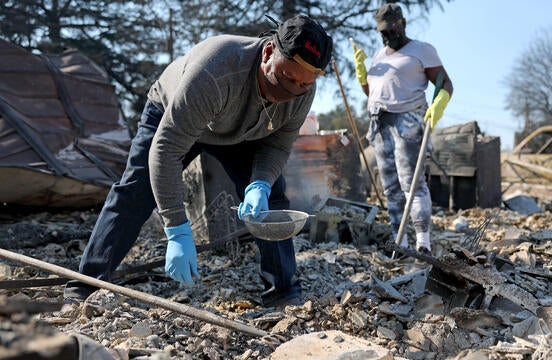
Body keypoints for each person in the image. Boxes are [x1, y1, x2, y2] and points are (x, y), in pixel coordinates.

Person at [64, 15, 333, 307]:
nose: (290, 92)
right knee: (135, 192)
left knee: (274, 201)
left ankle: (284, 292)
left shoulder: (302, 90)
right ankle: (86, 285)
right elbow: (165, 150)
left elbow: (278, 146)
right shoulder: (217, 69)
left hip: (240, 131)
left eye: (302, 85)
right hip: (176, 115)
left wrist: (260, 183)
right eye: (286, 78)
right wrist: (177, 229)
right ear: (268, 52)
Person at [352, 3, 453, 254]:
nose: (387, 35)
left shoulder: (421, 50)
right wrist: (364, 76)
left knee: (412, 183)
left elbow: (445, 82)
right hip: (380, 122)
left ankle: (423, 242)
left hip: (408, 120)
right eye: (382, 32)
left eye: (391, 28)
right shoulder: (378, 56)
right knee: (391, 187)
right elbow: (374, 91)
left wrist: (439, 102)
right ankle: (401, 242)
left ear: (402, 23)